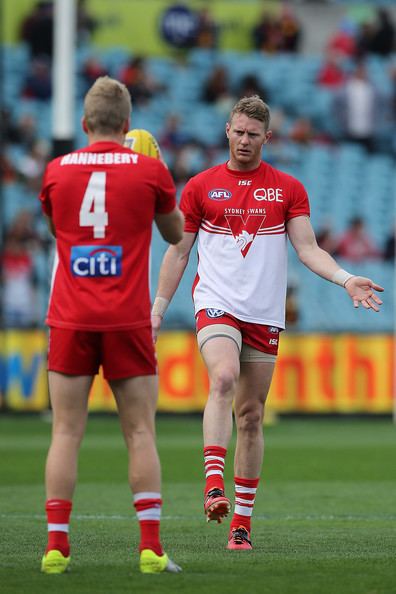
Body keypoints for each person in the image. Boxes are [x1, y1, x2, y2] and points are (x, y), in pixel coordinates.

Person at [151, 95, 384, 551]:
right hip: (216, 303)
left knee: (252, 416)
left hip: (263, 312)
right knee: (222, 377)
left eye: (252, 134)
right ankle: (213, 483)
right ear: (226, 130)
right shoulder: (199, 187)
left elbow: (308, 248)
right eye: (237, 132)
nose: (243, 140)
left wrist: (346, 279)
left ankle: (241, 524)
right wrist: (157, 309)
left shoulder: (287, 188)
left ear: (267, 138)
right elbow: (179, 251)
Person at [38, 76, 184, 575]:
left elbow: (58, 226)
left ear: (84, 124)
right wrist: (157, 172)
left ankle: (57, 547)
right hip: (126, 316)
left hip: (71, 315)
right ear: (126, 125)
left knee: (65, 432)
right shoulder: (148, 171)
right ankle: (150, 548)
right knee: (140, 432)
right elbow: (176, 232)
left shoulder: (56, 171)